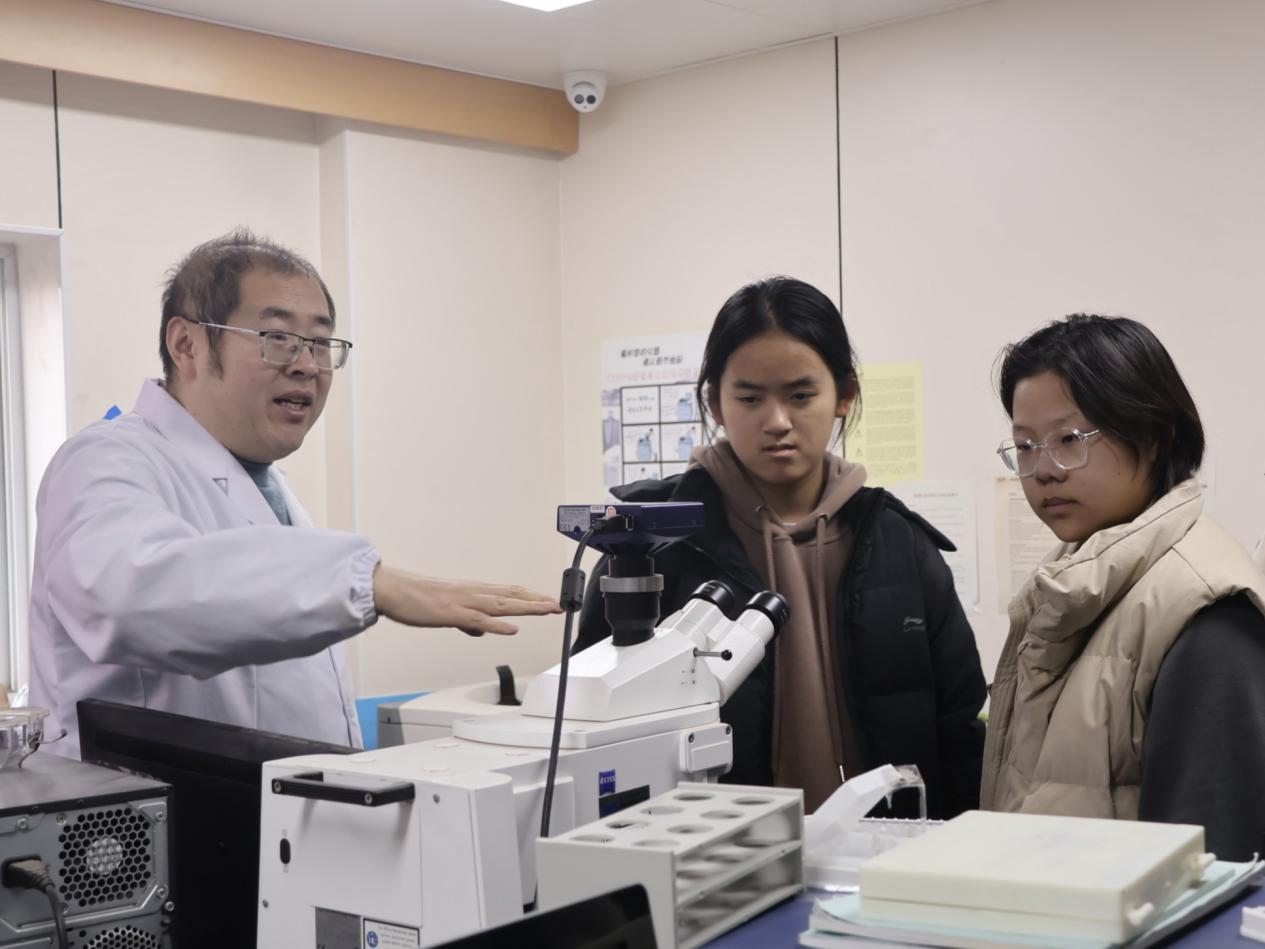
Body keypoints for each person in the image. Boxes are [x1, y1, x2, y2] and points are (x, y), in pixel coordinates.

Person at [28, 229, 559, 758]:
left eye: (321, 343)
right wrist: (369, 584)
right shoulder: (102, 460)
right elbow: (135, 596)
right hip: (152, 807)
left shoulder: (268, 486)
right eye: (277, 337)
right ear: (186, 344)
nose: (307, 364)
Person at [574, 277, 986, 817]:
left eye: (800, 396)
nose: (777, 422)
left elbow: (959, 726)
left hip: (892, 847)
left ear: (844, 395)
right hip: (707, 846)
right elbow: (593, 727)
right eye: (749, 398)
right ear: (714, 402)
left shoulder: (899, 543)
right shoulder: (651, 543)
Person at [981, 314, 1265, 859]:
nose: (1043, 470)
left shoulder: (1205, 608)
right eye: (1026, 446)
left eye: (1069, 440)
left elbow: (1211, 865)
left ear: (1152, 437)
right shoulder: (1070, 586)